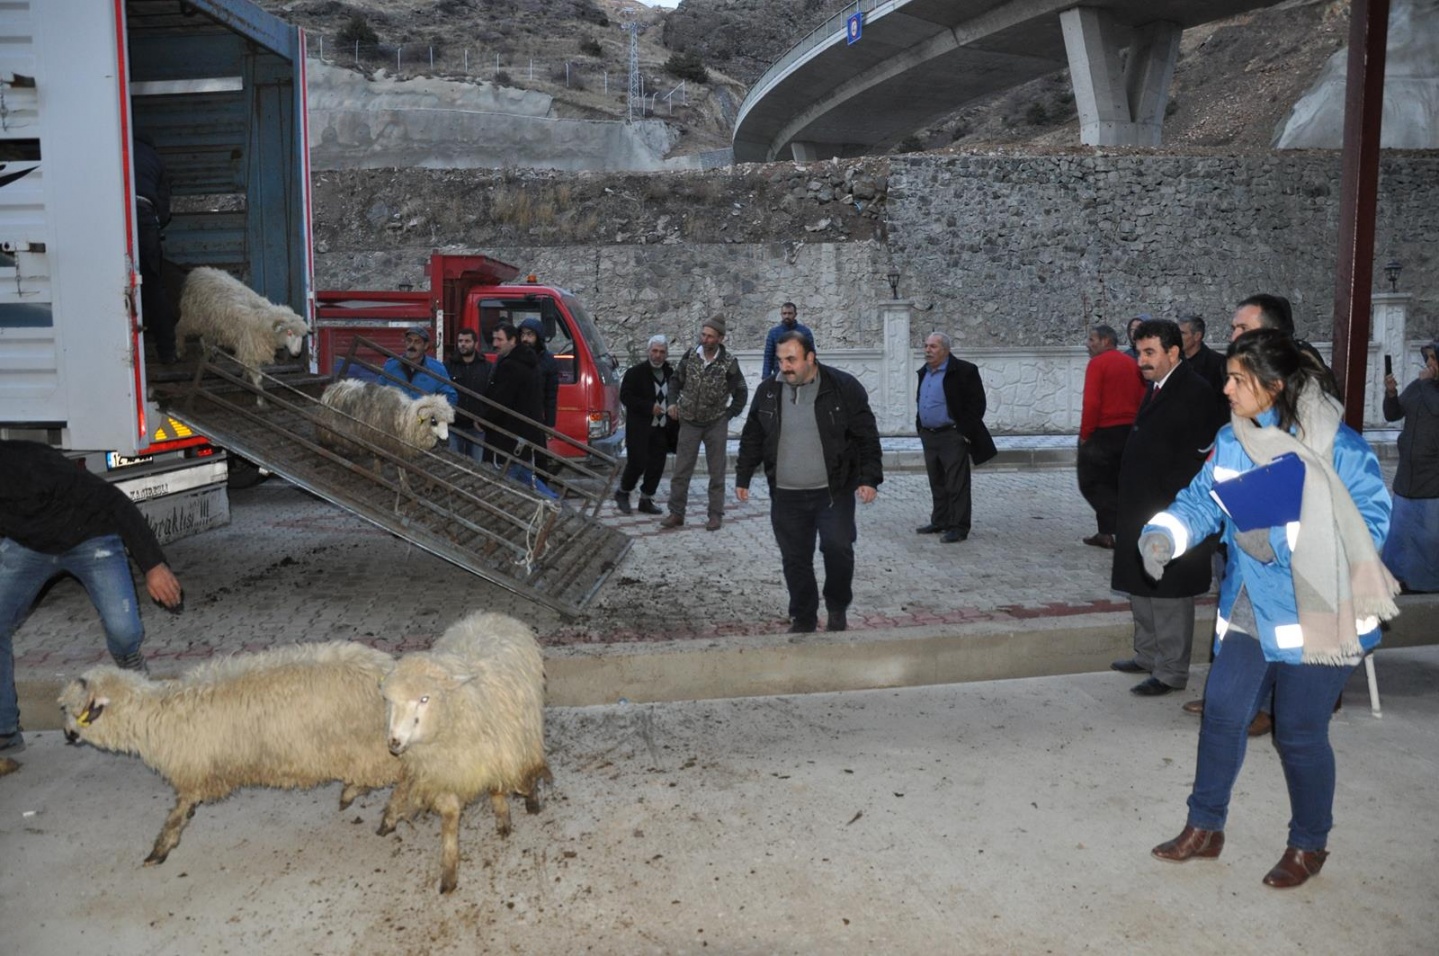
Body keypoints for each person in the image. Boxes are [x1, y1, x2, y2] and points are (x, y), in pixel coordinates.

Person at [1144, 328, 1398, 889]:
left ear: (1274, 385)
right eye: (1228, 378)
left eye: (1238, 380)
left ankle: (1310, 844)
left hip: (1322, 612)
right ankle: (1204, 827)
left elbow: (1373, 527)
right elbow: (1202, 500)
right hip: (1252, 606)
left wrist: (1280, 537)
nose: (1227, 390)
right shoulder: (1232, 439)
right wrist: (1165, 534)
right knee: (1223, 715)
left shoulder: (1341, 448)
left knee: (1301, 736)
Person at [1, 440, 185, 753]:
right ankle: (4, 732)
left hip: (90, 537)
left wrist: (153, 565)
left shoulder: (28, 464)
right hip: (29, 546)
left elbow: (114, 502)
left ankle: (130, 662)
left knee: (124, 631)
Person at [735, 332, 882, 633]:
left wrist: (869, 478)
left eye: (791, 359)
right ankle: (803, 617)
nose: (784, 367)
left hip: (833, 491)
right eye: (780, 360)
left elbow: (866, 435)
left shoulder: (842, 388)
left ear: (810, 358)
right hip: (787, 495)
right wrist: (743, 475)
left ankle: (837, 606)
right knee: (795, 558)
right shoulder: (768, 392)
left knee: (838, 548)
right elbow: (753, 436)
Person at [1110, 319, 1226, 696]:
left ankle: (1172, 671)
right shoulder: (1158, 386)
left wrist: (1174, 508)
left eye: (1149, 353)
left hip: (1173, 511)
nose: (1141, 360)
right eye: (1138, 352)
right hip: (1140, 508)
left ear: (1173, 353)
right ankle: (1146, 655)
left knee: (1169, 592)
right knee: (1139, 585)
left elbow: (1198, 459)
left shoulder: (1195, 392)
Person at [662, 315, 748, 531]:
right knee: (682, 470)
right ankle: (676, 513)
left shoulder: (729, 364)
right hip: (689, 421)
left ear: (720, 338)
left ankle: (715, 515)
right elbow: (675, 382)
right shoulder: (690, 356)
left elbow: (741, 392)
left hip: (715, 423)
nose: (705, 339)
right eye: (703, 334)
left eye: (710, 336)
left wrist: (728, 415)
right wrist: (672, 403)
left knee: (716, 471)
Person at [914, 331, 996, 543]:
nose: (927, 350)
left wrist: (963, 432)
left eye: (932, 346)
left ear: (946, 349)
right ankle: (940, 520)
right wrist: (920, 426)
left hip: (952, 435)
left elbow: (977, 405)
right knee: (937, 481)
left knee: (956, 483)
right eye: (926, 346)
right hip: (929, 436)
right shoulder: (924, 372)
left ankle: (959, 527)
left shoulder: (964, 371)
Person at [1077, 324, 1145, 549]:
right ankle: (1109, 531)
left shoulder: (1098, 364)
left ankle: (1111, 527)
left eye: (1092, 340)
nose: (1088, 344)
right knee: (1117, 481)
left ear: (1106, 341)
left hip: (1103, 433)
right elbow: (1143, 396)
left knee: (1092, 482)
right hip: (1130, 432)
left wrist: (1085, 434)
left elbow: (1092, 402)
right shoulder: (1131, 363)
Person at [1381, 340, 1439, 592]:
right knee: (1401, 536)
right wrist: (1391, 394)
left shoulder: (1427, 387)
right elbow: (1393, 414)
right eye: (1427, 358)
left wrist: (1427, 383)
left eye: (1433, 359)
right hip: (1407, 476)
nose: (1429, 364)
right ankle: (1398, 580)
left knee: (1427, 539)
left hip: (1433, 479)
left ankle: (1427, 587)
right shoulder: (1419, 386)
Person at [484, 322, 556, 499]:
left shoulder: (514, 365)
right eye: (494, 339)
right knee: (522, 473)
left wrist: (484, 418)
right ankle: (553, 502)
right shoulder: (516, 361)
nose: (495, 344)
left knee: (513, 476)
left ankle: (553, 504)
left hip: (515, 430)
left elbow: (501, 400)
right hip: (521, 430)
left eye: (499, 339)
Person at [1229, 293, 1339, 398]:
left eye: (1244, 328)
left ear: (1272, 335)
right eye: (1234, 329)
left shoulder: (1302, 379)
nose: (1234, 338)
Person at [615, 335, 677, 515]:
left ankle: (646, 498)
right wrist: (648, 407)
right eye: (654, 351)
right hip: (640, 427)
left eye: (662, 352)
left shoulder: (670, 374)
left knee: (657, 464)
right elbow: (625, 396)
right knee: (637, 462)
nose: (658, 355)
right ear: (648, 352)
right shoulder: (635, 373)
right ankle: (623, 492)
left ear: (666, 354)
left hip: (662, 427)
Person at [134, 133, 177, 364]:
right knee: (153, 285)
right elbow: (165, 211)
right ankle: (167, 353)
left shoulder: (112, 149)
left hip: (114, 213)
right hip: (143, 215)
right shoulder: (156, 160)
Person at [519, 318, 560, 481]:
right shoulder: (516, 356)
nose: (525, 339)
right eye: (522, 334)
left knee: (540, 457)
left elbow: (551, 395)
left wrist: (550, 424)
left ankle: (543, 490)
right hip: (516, 414)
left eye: (530, 335)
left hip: (536, 417)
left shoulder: (548, 361)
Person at [445, 327, 491, 462]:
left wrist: (484, 418)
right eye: (460, 341)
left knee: (477, 467)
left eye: (467, 341)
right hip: (454, 425)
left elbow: (491, 395)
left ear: (475, 344)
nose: (463, 344)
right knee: (454, 466)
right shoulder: (448, 366)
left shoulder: (486, 367)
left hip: (476, 427)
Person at [382, 326, 458, 406]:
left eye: (417, 342)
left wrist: (433, 414)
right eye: (409, 340)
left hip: (423, 417)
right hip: (396, 416)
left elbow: (450, 397)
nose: (412, 345)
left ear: (425, 346)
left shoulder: (437, 369)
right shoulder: (391, 365)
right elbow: (380, 392)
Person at [761, 302, 814, 380]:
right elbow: (768, 356)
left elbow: (811, 355)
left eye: (790, 313)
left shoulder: (805, 332)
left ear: (795, 314)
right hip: (780, 375)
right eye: (784, 313)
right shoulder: (773, 333)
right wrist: (765, 378)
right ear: (781, 314)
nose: (787, 316)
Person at [1178, 313, 1228, 397]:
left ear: (1197, 336)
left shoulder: (1217, 363)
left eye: (1182, 333)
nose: (1178, 337)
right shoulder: (1173, 360)